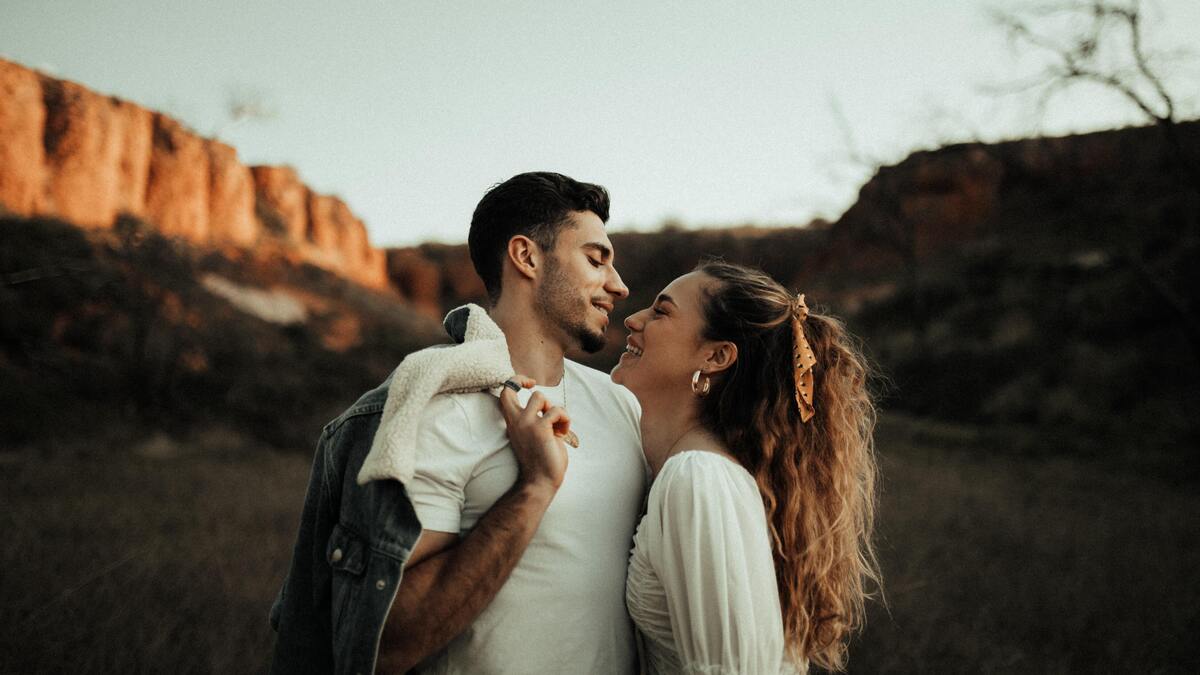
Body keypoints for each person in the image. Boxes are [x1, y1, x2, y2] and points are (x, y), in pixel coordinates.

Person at [269, 172, 646, 674]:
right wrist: (532, 490)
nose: (619, 286)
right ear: (526, 256)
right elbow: (384, 644)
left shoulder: (620, 404)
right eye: (596, 259)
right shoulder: (435, 407)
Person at [504, 260, 882, 674]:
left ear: (716, 355)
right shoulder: (683, 471)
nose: (633, 319)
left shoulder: (699, 479)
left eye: (662, 312)